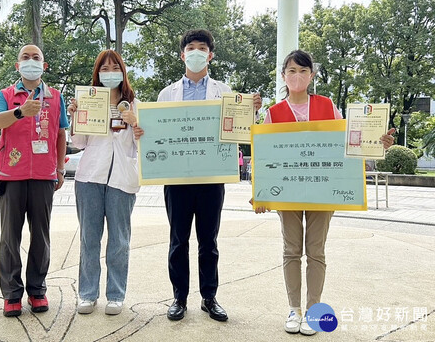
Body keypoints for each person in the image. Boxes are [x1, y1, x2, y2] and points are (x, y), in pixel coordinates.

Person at [254, 49, 395, 335]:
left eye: (303, 71)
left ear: (312, 75)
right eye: (291, 71)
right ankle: (294, 310)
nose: (297, 76)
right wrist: (260, 194)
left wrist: (378, 145)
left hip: (321, 189)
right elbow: (263, 156)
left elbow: (350, 145)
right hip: (288, 193)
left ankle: (312, 310)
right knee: (291, 250)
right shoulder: (273, 113)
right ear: (283, 76)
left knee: (315, 251)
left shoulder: (329, 107)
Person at [136, 29, 262, 322]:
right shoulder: (166, 94)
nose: (196, 52)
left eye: (201, 48)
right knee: (178, 240)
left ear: (210, 55)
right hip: (176, 179)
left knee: (209, 240)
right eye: (190, 48)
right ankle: (179, 297)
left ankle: (209, 297)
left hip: (211, 178)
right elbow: (156, 133)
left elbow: (240, 130)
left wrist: (251, 111)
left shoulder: (225, 91)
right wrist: (143, 130)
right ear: (182, 55)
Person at [0, 44, 68, 317]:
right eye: (26, 57)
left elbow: (61, 135)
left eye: (36, 58)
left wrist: (59, 169)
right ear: (17, 65)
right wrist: (21, 111)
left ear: (44, 66)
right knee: (10, 237)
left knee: (41, 237)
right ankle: (11, 294)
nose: (31, 61)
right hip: (11, 175)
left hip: (44, 176)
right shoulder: (5, 95)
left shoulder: (56, 97)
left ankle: (37, 290)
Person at [68, 50, 140, 316]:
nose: (110, 72)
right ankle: (87, 294)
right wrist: (76, 116)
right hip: (89, 178)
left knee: (119, 241)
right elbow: (79, 143)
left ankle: (116, 294)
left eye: (115, 67)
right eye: (104, 68)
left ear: (123, 71)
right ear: (97, 73)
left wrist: (135, 124)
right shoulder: (88, 100)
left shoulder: (133, 103)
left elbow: (140, 145)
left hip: (122, 180)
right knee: (89, 238)